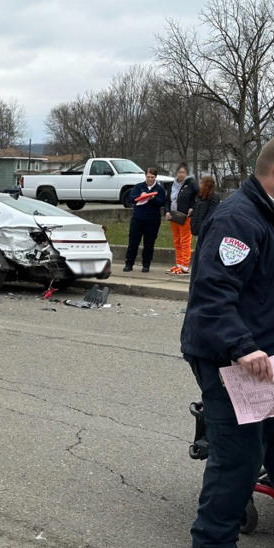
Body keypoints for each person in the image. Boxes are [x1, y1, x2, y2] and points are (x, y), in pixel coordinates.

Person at [181, 138, 274, 548]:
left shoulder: (267, 217)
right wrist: (243, 346)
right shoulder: (238, 219)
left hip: (263, 360)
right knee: (237, 463)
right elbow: (213, 294)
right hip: (231, 360)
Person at [123, 167, 166, 273]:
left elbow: (162, 202)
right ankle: (129, 264)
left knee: (149, 244)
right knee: (133, 242)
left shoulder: (159, 189)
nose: (150, 179)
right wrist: (141, 196)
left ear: (155, 177)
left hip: (152, 220)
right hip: (138, 219)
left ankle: (146, 265)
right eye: (148, 177)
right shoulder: (138, 187)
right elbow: (131, 199)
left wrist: (153, 198)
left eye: (152, 177)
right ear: (145, 176)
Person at [166, 162, 198, 275]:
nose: (181, 174)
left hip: (185, 217)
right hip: (173, 216)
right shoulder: (172, 185)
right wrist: (167, 211)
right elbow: (168, 200)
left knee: (185, 241)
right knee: (177, 240)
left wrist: (192, 208)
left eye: (183, 172)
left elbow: (198, 196)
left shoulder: (191, 184)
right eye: (180, 172)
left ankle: (185, 266)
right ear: (176, 173)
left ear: (187, 173)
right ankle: (178, 264)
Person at [190, 176, 221, 241]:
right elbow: (197, 211)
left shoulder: (214, 197)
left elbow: (210, 215)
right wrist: (192, 212)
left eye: (201, 183)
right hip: (198, 229)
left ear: (206, 185)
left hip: (206, 230)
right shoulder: (200, 196)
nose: (199, 185)